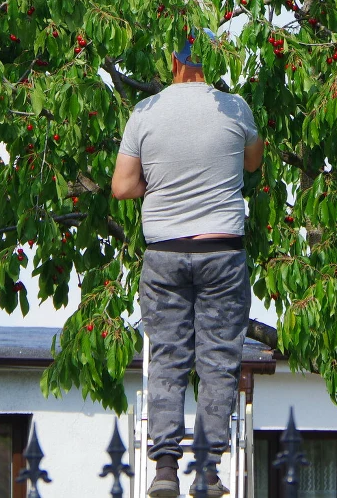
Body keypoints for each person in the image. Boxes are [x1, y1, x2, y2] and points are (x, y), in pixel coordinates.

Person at [112, 32, 264, 498]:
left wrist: (158, 186)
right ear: (209, 61)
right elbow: (252, 164)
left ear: (173, 63)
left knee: (168, 358)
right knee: (218, 360)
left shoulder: (146, 112)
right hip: (222, 250)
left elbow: (122, 186)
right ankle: (210, 471)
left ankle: (163, 469)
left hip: (165, 253)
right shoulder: (235, 108)